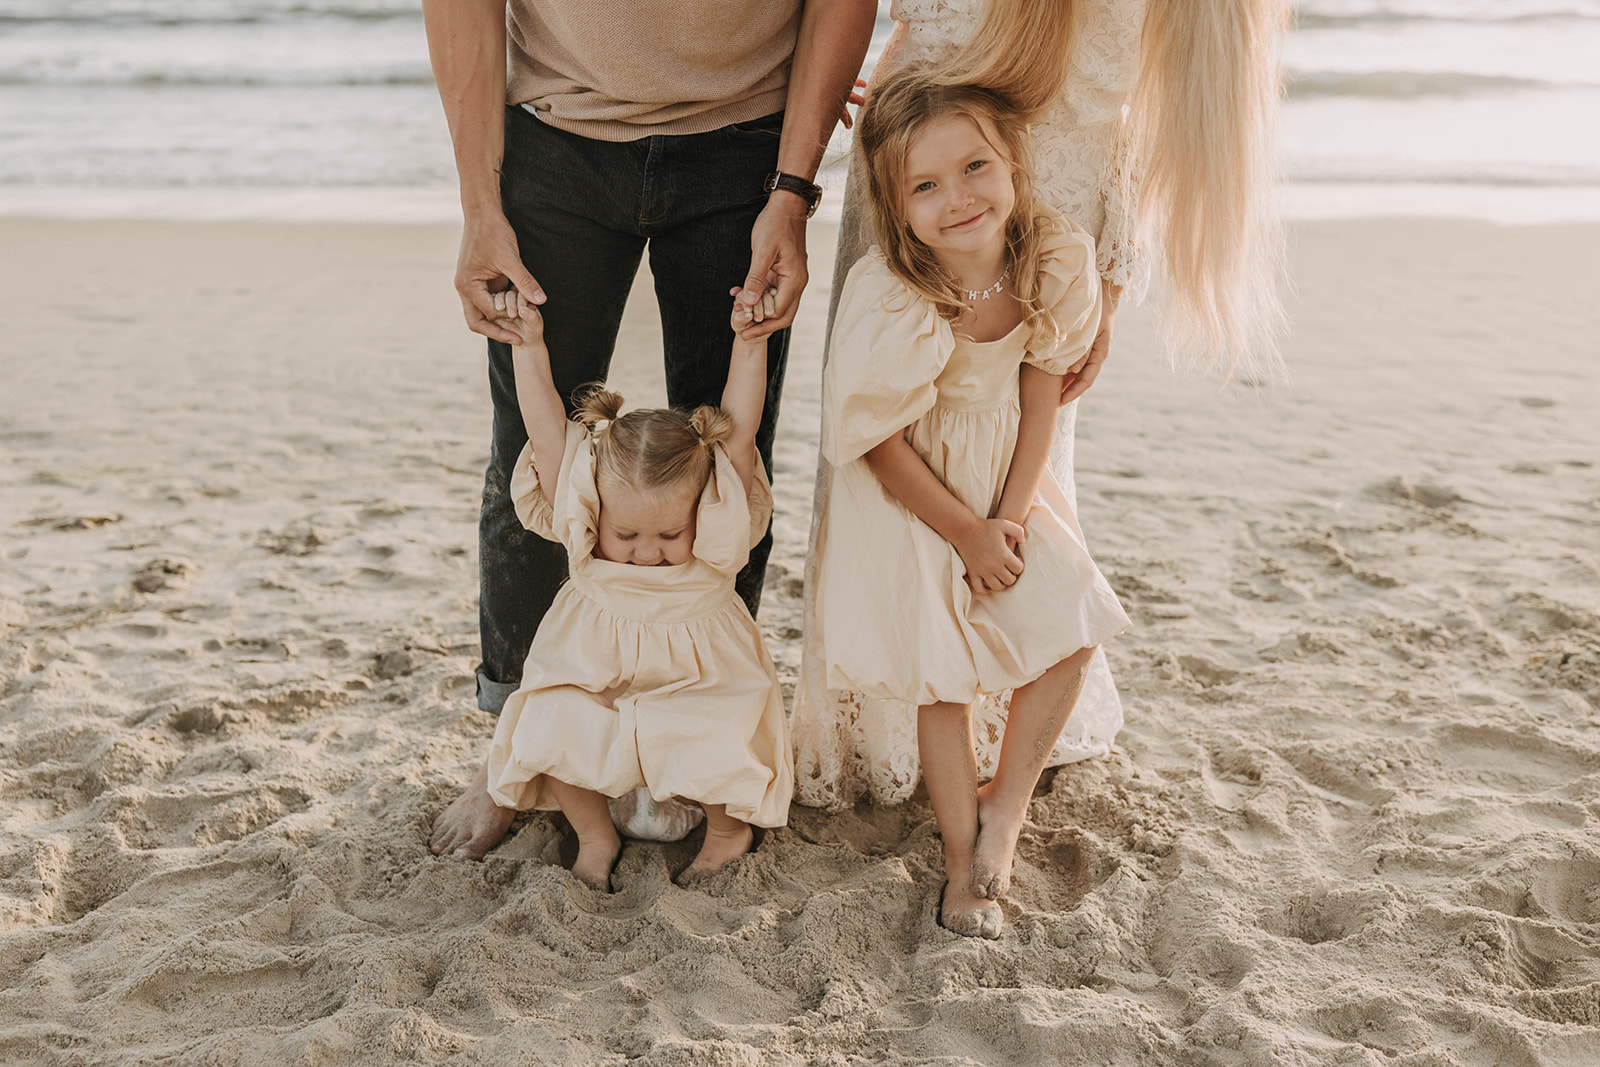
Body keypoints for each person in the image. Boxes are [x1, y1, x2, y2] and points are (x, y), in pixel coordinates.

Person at [794, 0, 1288, 811]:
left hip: (1050, 203)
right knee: (890, 469)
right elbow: (917, 27)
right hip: (923, 173)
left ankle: (1000, 735)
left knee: (1020, 481)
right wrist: (878, 142)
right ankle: (898, 721)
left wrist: (1114, 282)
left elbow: (1145, 112)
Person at [420, 0, 876, 858]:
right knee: (533, 448)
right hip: (555, 135)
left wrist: (793, 190)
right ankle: (513, 747)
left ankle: (697, 752)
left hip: (747, 143)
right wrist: (481, 205)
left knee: (728, 468)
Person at [802, 63, 1135, 937]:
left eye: (975, 168)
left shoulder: (1049, 257)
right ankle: (961, 868)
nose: (958, 198)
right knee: (941, 680)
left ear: (1014, 164)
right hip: (917, 499)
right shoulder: (895, 297)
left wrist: (1013, 521)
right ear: (894, 202)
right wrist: (964, 531)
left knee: (1074, 626)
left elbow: (1040, 393)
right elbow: (875, 441)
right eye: (926, 184)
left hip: (1001, 485)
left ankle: (1006, 801)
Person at [478, 287, 792, 890]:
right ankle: (596, 834)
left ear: (706, 506)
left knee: (722, 734)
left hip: (700, 681)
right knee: (547, 724)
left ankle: (728, 833)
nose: (648, 553)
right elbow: (543, 425)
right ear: (596, 508)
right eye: (627, 535)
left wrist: (751, 342)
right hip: (598, 670)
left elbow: (743, 425)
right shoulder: (581, 506)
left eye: (670, 534)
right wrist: (530, 346)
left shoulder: (719, 514)